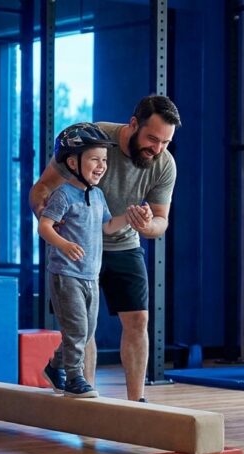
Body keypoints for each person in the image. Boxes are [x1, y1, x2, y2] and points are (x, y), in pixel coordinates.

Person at [30, 95, 181, 402]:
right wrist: (48, 218)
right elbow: (42, 187)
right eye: (152, 139)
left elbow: (160, 222)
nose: (158, 149)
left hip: (124, 242)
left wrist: (144, 224)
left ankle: (136, 402)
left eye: (166, 142)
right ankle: (83, 394)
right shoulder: (93, 141)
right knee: (84, 327)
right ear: (133, 124)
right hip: (81, 247)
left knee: (138, 319)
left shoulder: (164, 163)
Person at [38, 123, 130, 398]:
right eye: (95, 160)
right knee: (77, 329)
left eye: (104, 160)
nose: (101, 166)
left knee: (86, 331)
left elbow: (107, 226)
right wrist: (64, 244)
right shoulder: (63, 194)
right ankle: (74, 377)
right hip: (66, 274)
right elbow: (44, 226)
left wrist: (130, 218)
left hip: (91, 275)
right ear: (72, 162)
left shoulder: (98, 195)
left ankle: (56, 365)